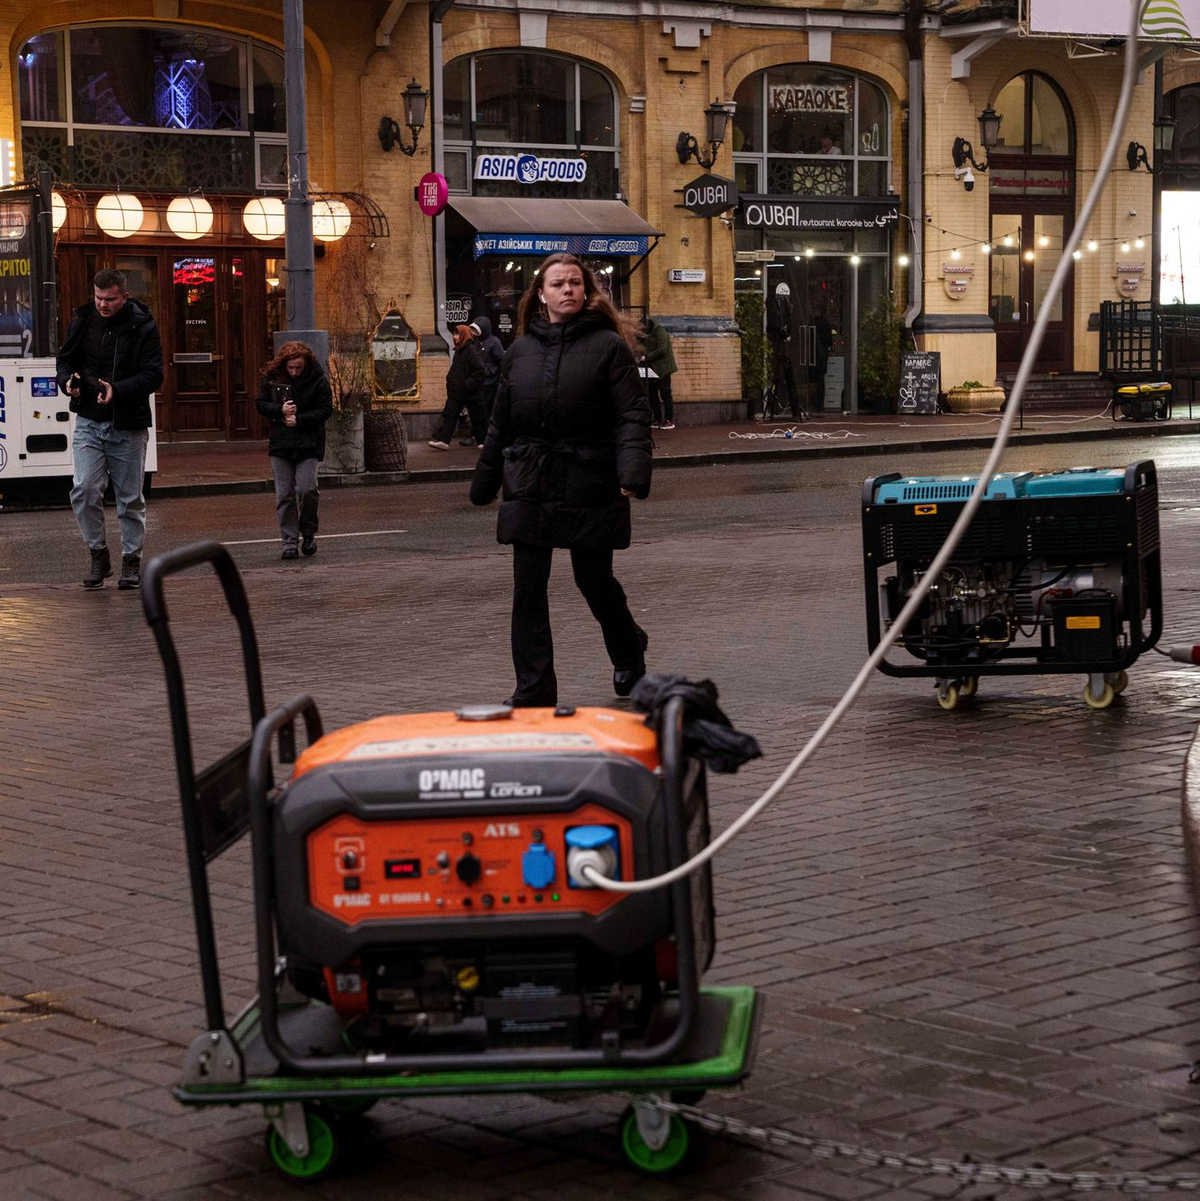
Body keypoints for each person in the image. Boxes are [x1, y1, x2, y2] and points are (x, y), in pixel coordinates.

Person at [470, 253, 652, 708]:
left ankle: (628, 647)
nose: (568, 289)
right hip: (531, 478)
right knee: (528, 589)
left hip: (590, 477)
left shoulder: (609, 347)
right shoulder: (519, 352)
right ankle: (534, 688)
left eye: (575, 282)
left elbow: (631, 415)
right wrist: (485, 480)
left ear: (586, 291)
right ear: (541, 295)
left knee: (593, 580)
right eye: (558, 284)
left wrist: (632, 471)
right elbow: (501, 423)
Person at [57, 268, 163, 590]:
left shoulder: (143, 326)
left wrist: (117, 390)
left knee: (129, 499)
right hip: (89, 421)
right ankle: (98, 554)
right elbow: (64, 360)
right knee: (84, 489)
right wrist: (67, 381)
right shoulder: (82, 320)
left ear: (124, 297)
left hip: (127, 425)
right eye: (98, 297)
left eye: (110, 299)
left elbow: (154, 375)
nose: (103, 304)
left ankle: (131, 561)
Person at [254, 341, 333, 560]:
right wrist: (280, 410)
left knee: (307, 489)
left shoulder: (317, 379)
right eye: (291, 368)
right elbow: (260, 404)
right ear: (284, 364)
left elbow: (326, 410)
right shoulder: (273, 377)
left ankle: (308, 532)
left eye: (299, 367)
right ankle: (289, 542)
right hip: (281, 443)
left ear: (306, 364)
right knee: (284, 495)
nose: (295, 372)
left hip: (308, 442)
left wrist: (300, 419)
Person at [429, 324, 488, 451]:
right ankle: (444, 440)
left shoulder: (471, 351)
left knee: (478, 416)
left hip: (470, 392)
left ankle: (483, 442)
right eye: (454, 334)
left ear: (464, 336)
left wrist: (468, 385)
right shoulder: (459, 351)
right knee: (450, 415)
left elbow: (480, 370)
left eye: (457, 334)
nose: (454, 337)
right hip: (457, 392)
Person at [765, 281, 803, 421]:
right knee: (783, 374)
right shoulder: (775, 304)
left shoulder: (778, 305)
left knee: (784, 373)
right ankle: (792, 412)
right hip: (779, 341)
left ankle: (791, 411)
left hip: (780, 342)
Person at [465, 316, 504, 444]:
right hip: (478, 381)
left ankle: (483, 436)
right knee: (477, 410)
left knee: (484, 411)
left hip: (489, 383)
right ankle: (477, 435)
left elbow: (501, 361)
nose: (475, 332)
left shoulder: (494, 342)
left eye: (476, 329)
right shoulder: (476, 342)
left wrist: (497, 376)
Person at [640, 314, 679, 430]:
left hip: (664, 368)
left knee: (665, 393)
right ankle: (657, 419)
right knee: (652, 394)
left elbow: (662, 349)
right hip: (652, 368)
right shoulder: (645, 334)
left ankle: (669, 420)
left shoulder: (660, 331)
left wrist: (647, 357)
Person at [810, 307, 834, 411]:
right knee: (821, 380)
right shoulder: (826, 324)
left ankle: (813, 404)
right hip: (823, 354)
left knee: (813, 380)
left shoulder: (813, 324)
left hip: (813, 354)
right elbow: (830, 341)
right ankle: (820, 404)